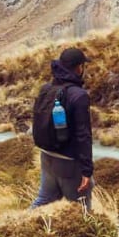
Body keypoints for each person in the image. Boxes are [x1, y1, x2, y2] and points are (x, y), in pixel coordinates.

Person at [31, 47, 94, 211]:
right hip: (69, 162)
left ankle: (15, 227)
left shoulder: (47, 89)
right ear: (79, 67)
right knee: (82, 209)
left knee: (44, 201)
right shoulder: (79, 95)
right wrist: (86, 171)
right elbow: (83, 135)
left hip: (47, 155)